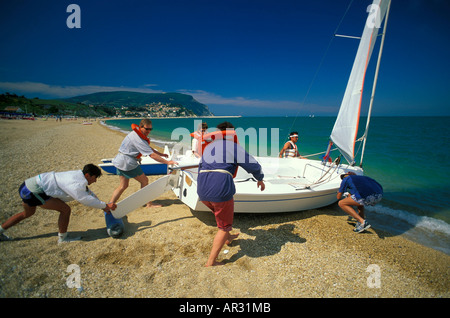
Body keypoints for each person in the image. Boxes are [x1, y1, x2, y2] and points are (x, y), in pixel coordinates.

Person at [197, 121, 265, 267]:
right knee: (223, 226)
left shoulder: (208, 147)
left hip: (202, 189)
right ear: (232, 133)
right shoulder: (233, 146)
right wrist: (260, 178)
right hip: (220, 188)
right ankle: (211, 261)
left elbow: (200, 167)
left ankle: (228, 238)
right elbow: (252, 164)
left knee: (220, 215)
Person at [0, 164, 116, 243]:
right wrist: (105, 206)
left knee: (27, 214)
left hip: (26, 185)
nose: (95, 181)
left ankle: (0, 230)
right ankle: (63, 238)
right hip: (33, 191)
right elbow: (84, 199)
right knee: (65, 209)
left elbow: (88, 192)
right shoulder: (75, 183)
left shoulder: (77, 175)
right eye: (95, 178)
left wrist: (103, 206)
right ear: (87, 175)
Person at [109, 119, 177, 208]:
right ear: (140, 127)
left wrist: (161, 154)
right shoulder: (137, 138)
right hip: (127, 163)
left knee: (123, 186)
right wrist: (167, 162)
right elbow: (152, 155)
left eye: (150, 129)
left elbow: (147, 147)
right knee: (144, 181)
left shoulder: (136, 135)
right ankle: (148, 203)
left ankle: (110, 204)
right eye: (147, 129)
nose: (149, 131)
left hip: (120, 161)